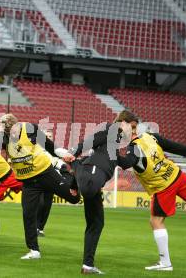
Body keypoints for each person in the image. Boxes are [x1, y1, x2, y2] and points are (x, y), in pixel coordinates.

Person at [116, 110, 186, 271]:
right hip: (175, 174)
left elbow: (126, 163)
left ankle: (165, 263)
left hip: (162, 186)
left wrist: (110, 155)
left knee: (156, 222)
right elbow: (173, 146)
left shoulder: (134, 149)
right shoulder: (150, 136)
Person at [0, 114, 80, 260]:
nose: (12, 134)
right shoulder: (3, 138)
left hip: (45, 173)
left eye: (13, 130)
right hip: (28, 182)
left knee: (74, 198)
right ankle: (34, 250)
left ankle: (69, 175)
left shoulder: (29, 128)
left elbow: (50, 146)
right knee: (28, 215)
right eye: (8, 131)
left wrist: (65, 155)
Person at [61, 114, 125, 274]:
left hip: (89, 179)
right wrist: (74, 153)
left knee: (96, 223)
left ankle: (88, 265)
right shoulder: (111, 129)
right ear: (123, 123)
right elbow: (91, 140)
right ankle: (72, 162)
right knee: (89, 186)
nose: (132, 131)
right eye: (132, 126)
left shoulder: (113, 148)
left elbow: (126, 161)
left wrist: (138, 153)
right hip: (90, 177)